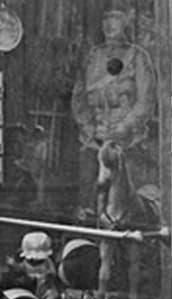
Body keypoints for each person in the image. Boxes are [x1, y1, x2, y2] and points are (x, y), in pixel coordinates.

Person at [71, 7, 156, 219]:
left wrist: (125, 126)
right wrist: (88, 127)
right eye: (106, 20)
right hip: (94, 141)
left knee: (130, 209)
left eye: (115, 19)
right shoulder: (93, 57)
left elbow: (146, 100)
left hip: (129, 143)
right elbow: (79, 98)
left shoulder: (138, 57)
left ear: (125, 24)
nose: (109, 25)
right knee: (86, 207)